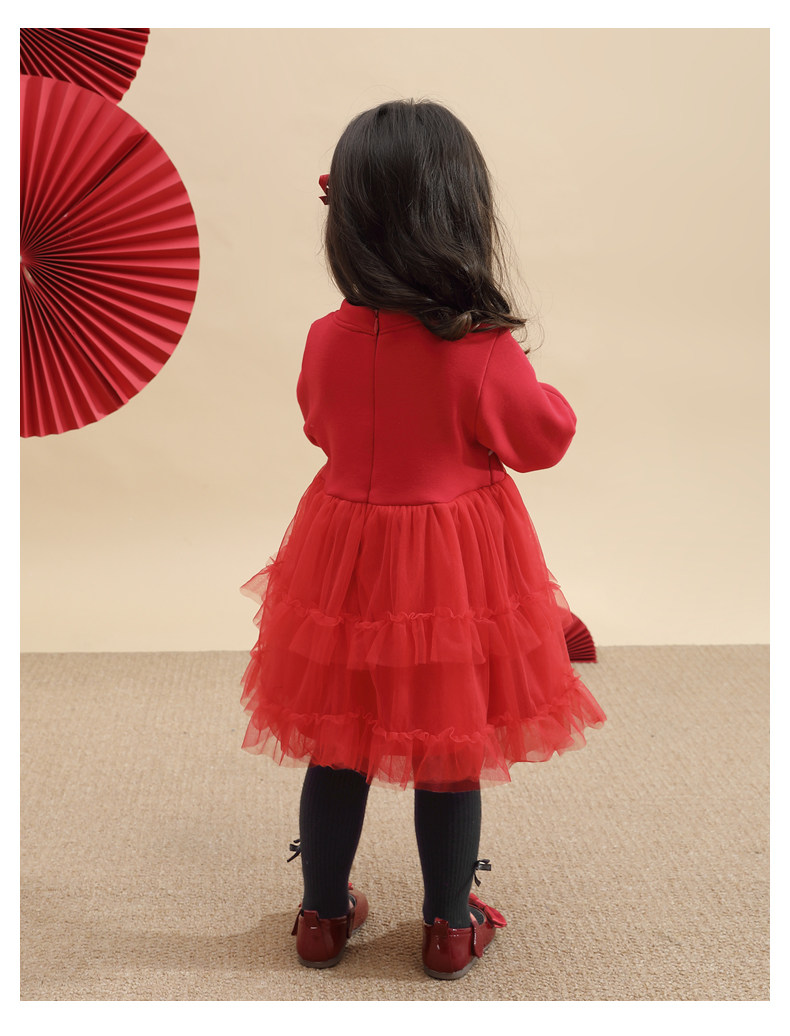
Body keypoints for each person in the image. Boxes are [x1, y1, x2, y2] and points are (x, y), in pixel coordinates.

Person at [240, 99, 606, 980]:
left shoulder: (326, 338)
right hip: (449, 569)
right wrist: (539, 389)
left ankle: (322, 915)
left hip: (344, 558)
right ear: (455, 215)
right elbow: (541, 440)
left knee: (339, 739)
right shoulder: (479, 350)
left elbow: (319, 426)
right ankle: (448, 924)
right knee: (449, 740)